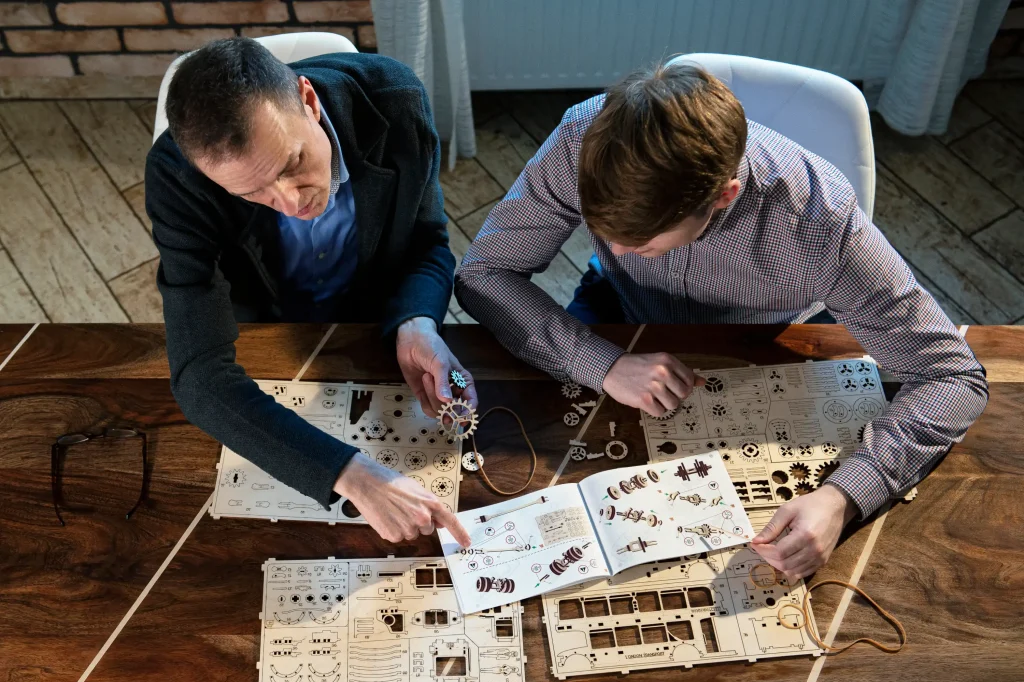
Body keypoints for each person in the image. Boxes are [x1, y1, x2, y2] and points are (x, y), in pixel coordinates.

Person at [455, 62, 988, 580]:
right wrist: (603, 364)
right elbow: (484, 273)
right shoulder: (582, 138)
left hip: (766, 339)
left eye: (640, 242)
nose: (613, 247)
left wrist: (845, 495)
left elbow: (952, 379)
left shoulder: (820, 221)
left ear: (722, 197)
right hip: (616, 314)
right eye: (601, 229)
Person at [147, 37, 470, 547]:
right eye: (252, 192)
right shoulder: (176, 176)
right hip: (263, 336)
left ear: (309, 100)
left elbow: (428, 244)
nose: (290, 201)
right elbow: (199, 374)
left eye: (291, 163)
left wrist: (418, 321)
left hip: (374, 325)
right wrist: (352, 473)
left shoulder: (397, 99)